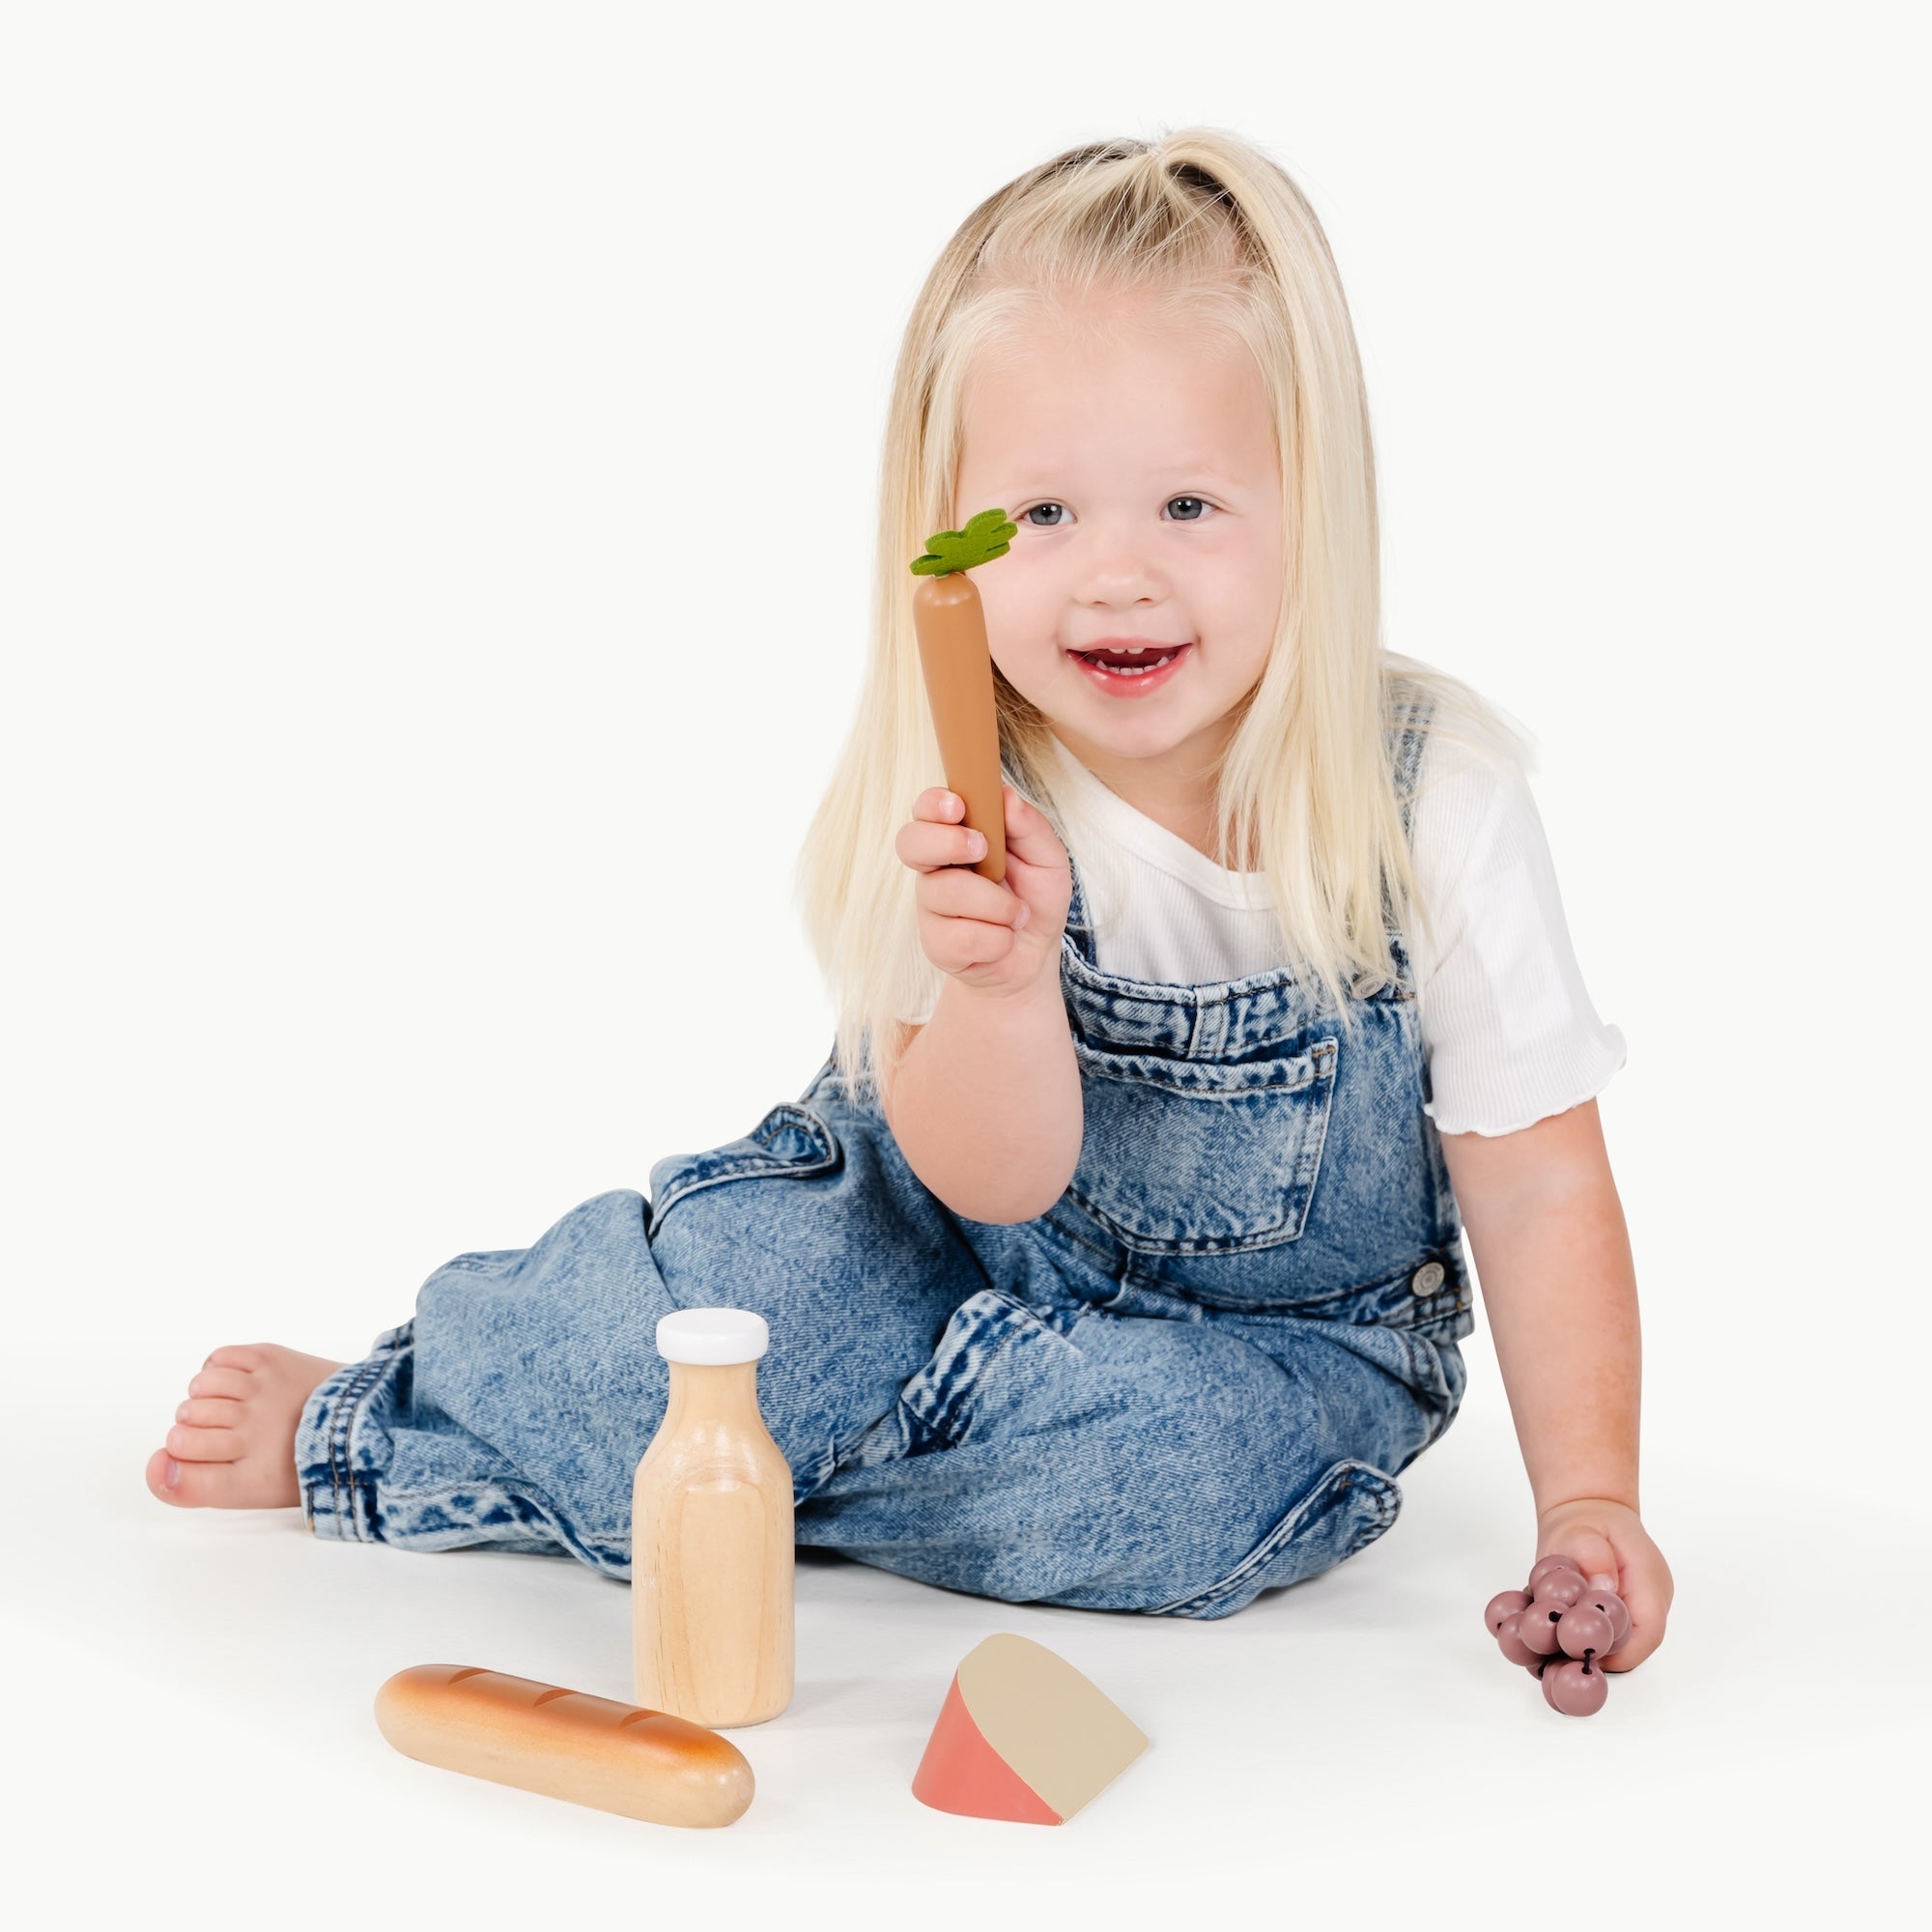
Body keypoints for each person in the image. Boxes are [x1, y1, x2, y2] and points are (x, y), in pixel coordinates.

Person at [145, 128, 1672, 1657]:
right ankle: (412, 1405)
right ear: (946, 538)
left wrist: (1590, 1500)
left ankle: (728, 1476)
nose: (1116, 575)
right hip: (931, 1238)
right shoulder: (960, 776)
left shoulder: (1432, 795)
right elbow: (984, 1182)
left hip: (1278, 1349)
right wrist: (1001, 989)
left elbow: (1537, 1184)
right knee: (704, 1319)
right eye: (1043, 517)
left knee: (1192, 1480)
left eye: (1189, 508)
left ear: (1312, 507)